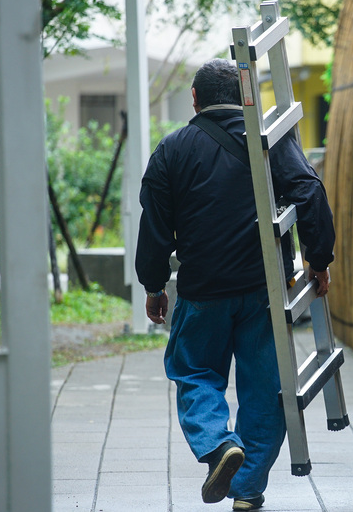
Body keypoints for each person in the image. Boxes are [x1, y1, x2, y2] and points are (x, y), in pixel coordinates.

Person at [135, 58, 335, 511]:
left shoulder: (172, 149)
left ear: (194, 99)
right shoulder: (269, 140)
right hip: (265, 291)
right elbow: (309, 191)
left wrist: (153, 285)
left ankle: (218, 445)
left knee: (194, 372)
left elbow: (155, 228)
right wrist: (319, 260)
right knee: (266, 389)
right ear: (245, 96)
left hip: (202, 291)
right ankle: (246, 489)